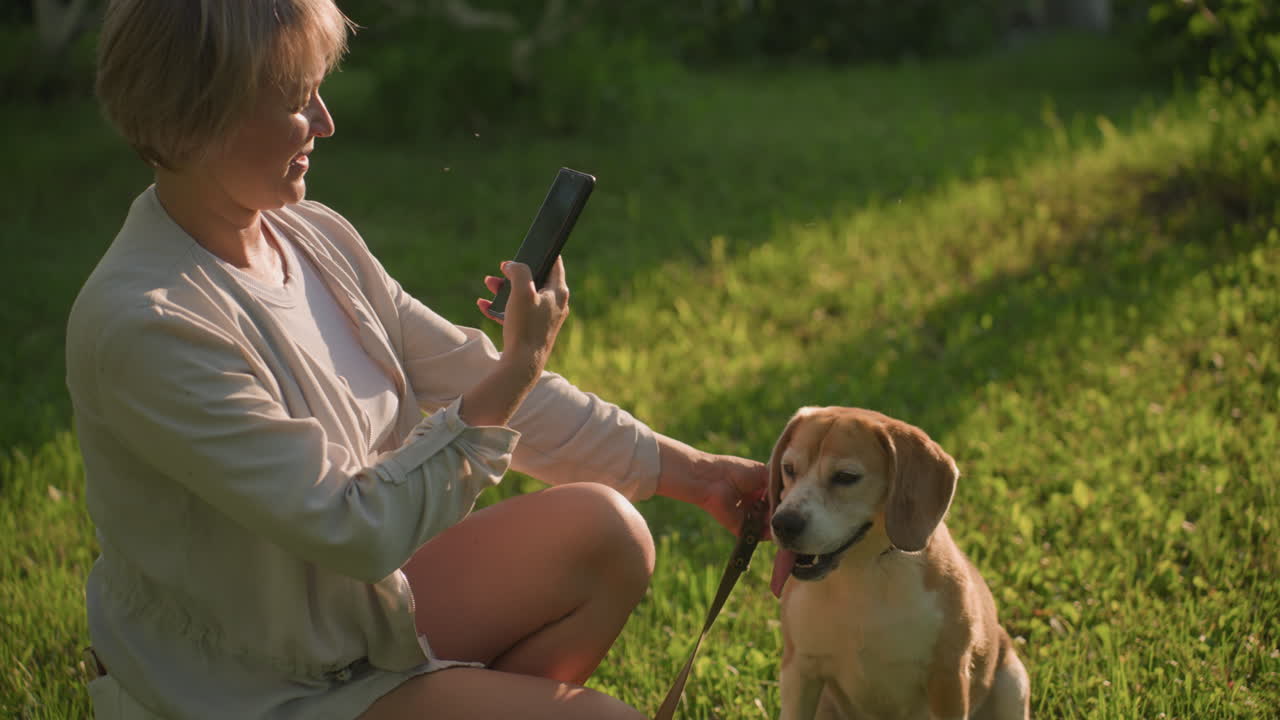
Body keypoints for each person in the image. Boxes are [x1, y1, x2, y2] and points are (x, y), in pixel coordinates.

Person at [67, 1, 766, 718]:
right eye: (295, 100)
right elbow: (355, 528)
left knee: (610, 533)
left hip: (354, 618)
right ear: (197, 115)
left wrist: (700, 475)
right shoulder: (148, 325)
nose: (325, 121)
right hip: (253, 684)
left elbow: (468, 369)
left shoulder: (310, 235)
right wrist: (514, 372)